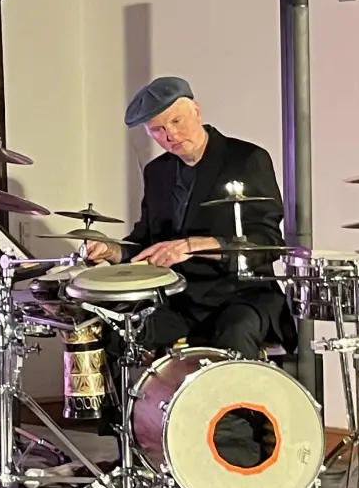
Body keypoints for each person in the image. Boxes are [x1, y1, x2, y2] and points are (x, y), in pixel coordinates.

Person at [85, 76, 294, 467]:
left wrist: (194, 245)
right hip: (181, 300)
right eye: (158, 130)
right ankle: (133, 454)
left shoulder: (247, 158)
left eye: (176, 122)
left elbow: (267, 241)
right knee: (117, 333)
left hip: (240, 294)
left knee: (234, 332)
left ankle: (234, 454)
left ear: (196, 111)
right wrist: (111, 251)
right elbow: (147, 242)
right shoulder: (158, 172)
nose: (170, 135)